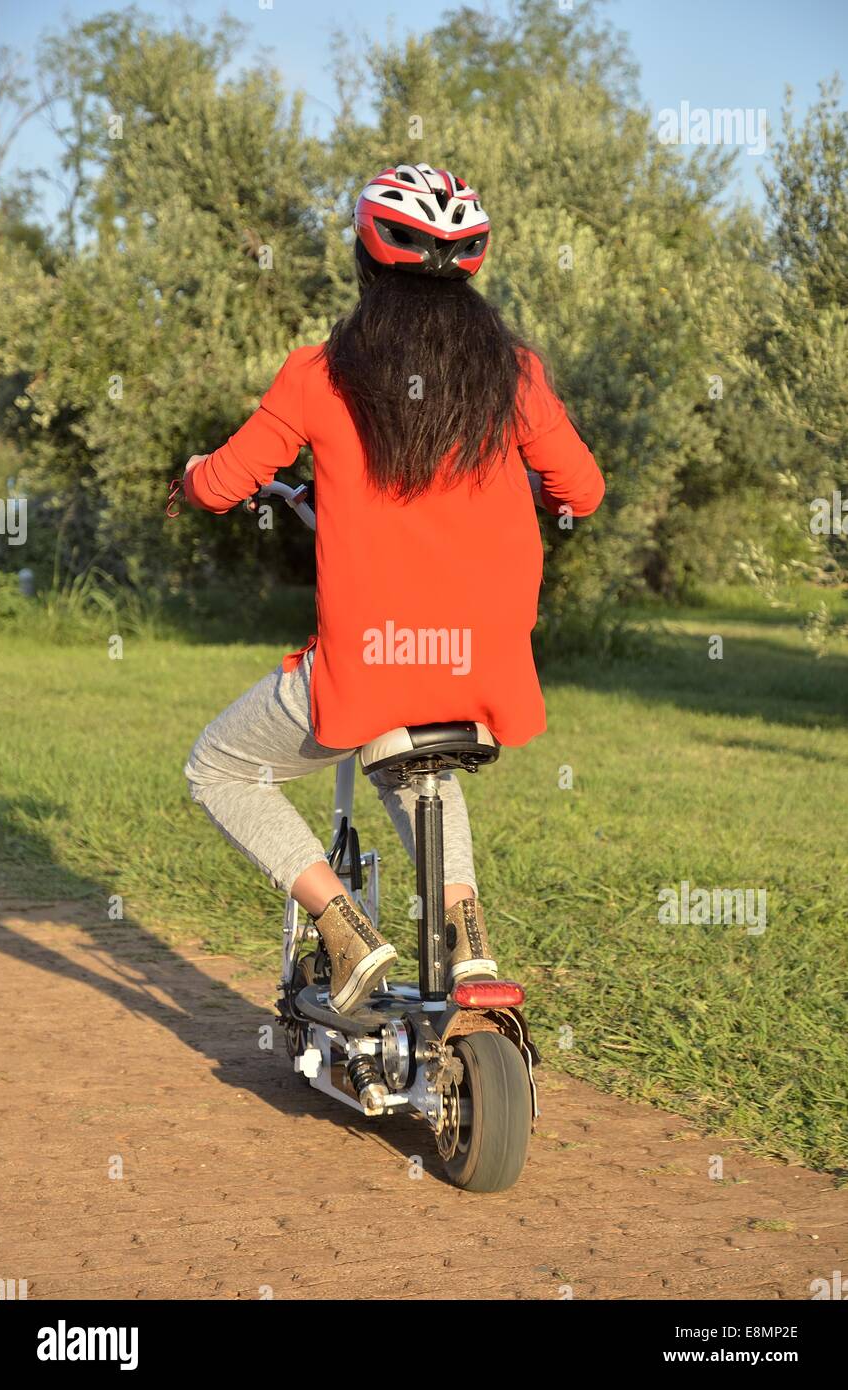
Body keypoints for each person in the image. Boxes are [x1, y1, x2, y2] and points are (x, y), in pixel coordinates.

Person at [183, 161, 605, 1015]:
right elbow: (582, 493)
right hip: (483, 667)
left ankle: (345, 933)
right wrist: (530, 490)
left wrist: (192, 476)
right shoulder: (514, 376)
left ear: (365, 260)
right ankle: (470, 945)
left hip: (370, 664)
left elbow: (220, 485)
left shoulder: (319, 375)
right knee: (413, 761)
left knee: (218, 770)